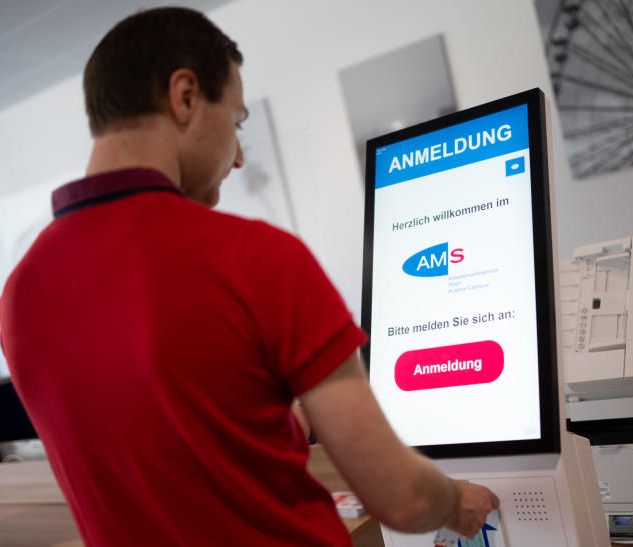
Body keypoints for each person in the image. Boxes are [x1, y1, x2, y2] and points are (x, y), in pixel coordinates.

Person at [0, 7, 498, 546]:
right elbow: (403, 497)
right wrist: (454, 501)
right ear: (185, 96)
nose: (238, 157)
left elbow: (182, 448)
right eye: (237, 122)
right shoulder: (255, 256)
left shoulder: (20, 295)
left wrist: (298, 418)